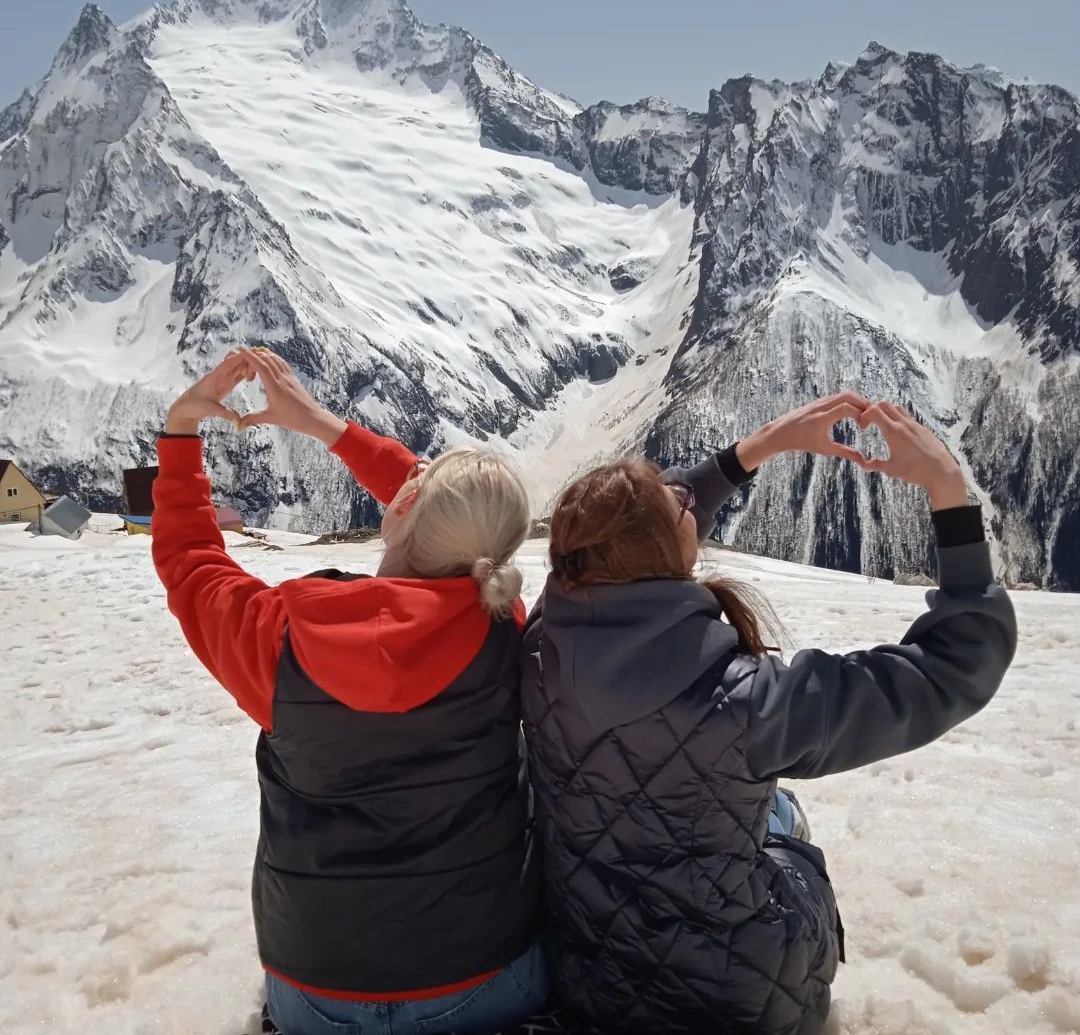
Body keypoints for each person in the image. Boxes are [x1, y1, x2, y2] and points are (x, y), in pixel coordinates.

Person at [520, 393, 1018, 1035]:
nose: (685, 496)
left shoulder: (540, 638)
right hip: (743, 998)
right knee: (781, 821)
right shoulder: (749, 701)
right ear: (676, 549)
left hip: (591, 975)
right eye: (675, 504)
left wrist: (760, 446)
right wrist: (951, 492)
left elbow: (633, 528)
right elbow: (953, 668)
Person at [151, 349, 548, 1035]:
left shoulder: (273, 636)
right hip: (487, 973)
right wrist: (326, 427)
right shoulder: (503, 624)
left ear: (405, 506)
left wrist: (182, 433)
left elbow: (190, 562)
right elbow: (450, 517)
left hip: (314, 988)